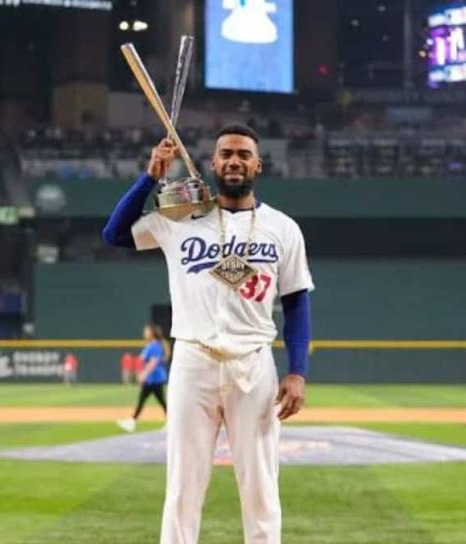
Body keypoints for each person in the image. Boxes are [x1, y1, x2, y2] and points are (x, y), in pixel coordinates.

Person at [102, 124, 313, 544]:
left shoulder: (282, 228)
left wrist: (298, 371)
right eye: (226, 154)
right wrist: (149, 178)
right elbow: (115, 234)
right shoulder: (180, 217)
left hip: (253, 365)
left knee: (261, 490)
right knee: (183, 486)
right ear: (213, 163)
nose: (235, 161)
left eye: (243, 154)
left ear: (258, 164)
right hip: (193, 361)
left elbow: (296, 302)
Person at [117, 323, 170, 433]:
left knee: (158, 402)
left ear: (152, 332)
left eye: (146, 330)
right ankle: (132, 421)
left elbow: (153, 362)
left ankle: (132, 422)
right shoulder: (151, 345)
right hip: (152, 379)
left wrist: (144, 374)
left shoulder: (155, 345)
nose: (144, 332)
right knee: (152, 401)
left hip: (154, 379)